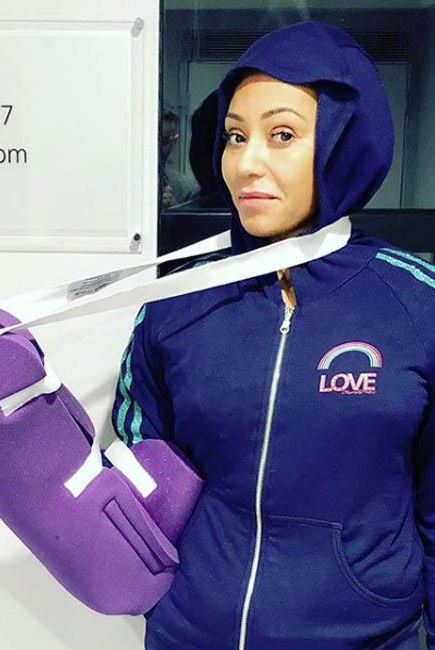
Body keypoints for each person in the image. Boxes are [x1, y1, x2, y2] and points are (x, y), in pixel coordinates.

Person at [112, 20, 435, 650]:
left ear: (343, 143)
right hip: (190, 634)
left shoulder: (417, 305)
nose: (246, 163)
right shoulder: (176, 303)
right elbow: (136, 471)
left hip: (365, 637)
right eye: (235, 136)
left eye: (281, 135)